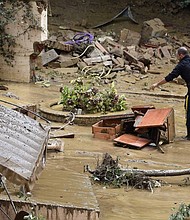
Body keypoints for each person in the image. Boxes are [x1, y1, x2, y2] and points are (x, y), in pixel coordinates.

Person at [150, 46, 190, 139]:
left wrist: (156, 84)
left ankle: (189, 136)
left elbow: (170, 77)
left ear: (180, 55)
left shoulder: (182, 65)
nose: (176, 57)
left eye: (177, 55)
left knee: (188, 112)